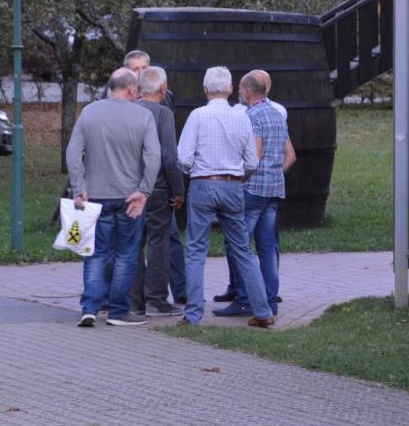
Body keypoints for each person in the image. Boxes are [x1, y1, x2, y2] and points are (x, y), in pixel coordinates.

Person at [176, 66, 275, 328]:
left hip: (203, 184)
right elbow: (252, 161)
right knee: (243, 249)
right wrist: (237, 177)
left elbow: (183, 158)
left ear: (205, 89)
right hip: (233, 186)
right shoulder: (242, 117)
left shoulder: (197, 116)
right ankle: (263, 311)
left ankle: (193, 315)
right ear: (231, 89)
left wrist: (194, 171)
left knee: (196, 250)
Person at [66, 68, 160, 327]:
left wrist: (79, 186)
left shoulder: (89, 112)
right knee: (127, 254)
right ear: (131, 89)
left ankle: (90, 307)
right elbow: (153, 157)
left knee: (96, 254)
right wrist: (144, 191)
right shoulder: (143, 116)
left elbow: (74, 152)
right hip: (130, 197)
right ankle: (119, 312)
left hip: (95, 197)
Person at [213, 71, 296, 317]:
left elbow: (254, 158)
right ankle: (270, 301)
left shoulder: (251, 116)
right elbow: (290, 156)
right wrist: (274, 174)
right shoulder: (277, 114)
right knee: (268, 248)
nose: (238, 92)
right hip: (275, 189)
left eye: (240, 88)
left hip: (253, 191)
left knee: (238, 244)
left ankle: (242, 300)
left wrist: (240, 181)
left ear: (248, 91)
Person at [123, 49, 187, 306]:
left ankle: (134, 298)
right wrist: (179, 190)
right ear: (162, 88)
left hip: (129, 186)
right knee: (159, 243)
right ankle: (156, 298)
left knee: (134, 243)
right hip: (158, 188)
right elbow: (169, 157)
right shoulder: (163, 113)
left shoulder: (126, 109)